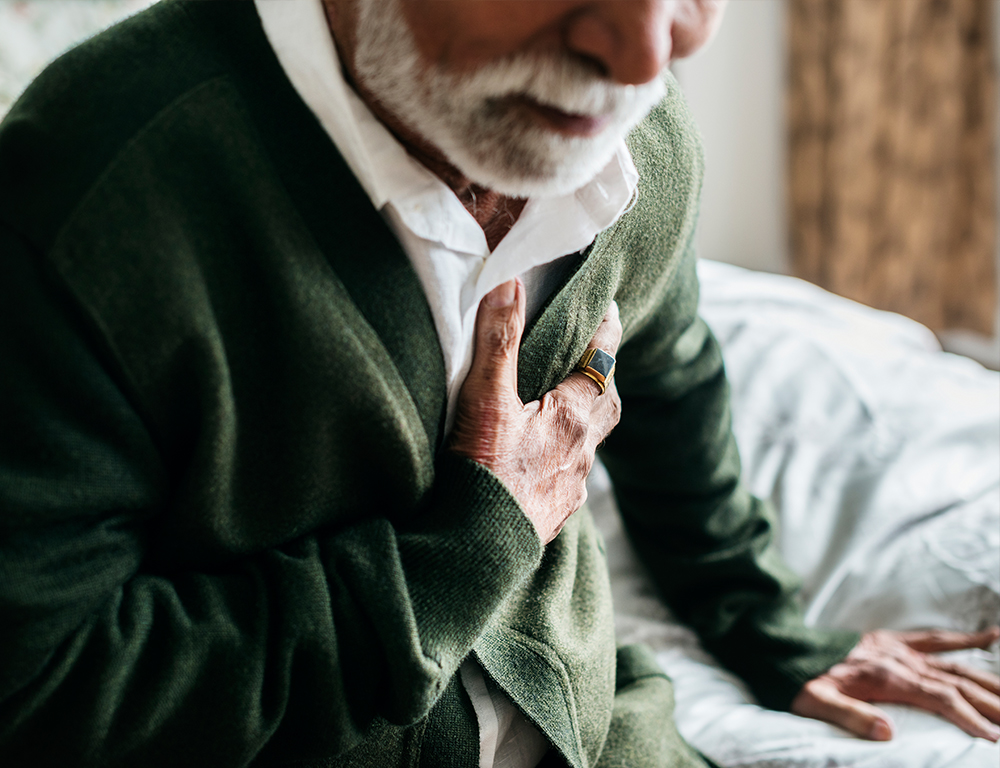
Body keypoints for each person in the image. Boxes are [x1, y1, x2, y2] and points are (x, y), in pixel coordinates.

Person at [0, 0, 996, 766]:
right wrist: (465, 552)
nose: (649, 58)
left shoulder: (642, 143)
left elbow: (671, 381)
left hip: (603, 726)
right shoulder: (86, 193)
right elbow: (38, 692)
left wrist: (769, 629)